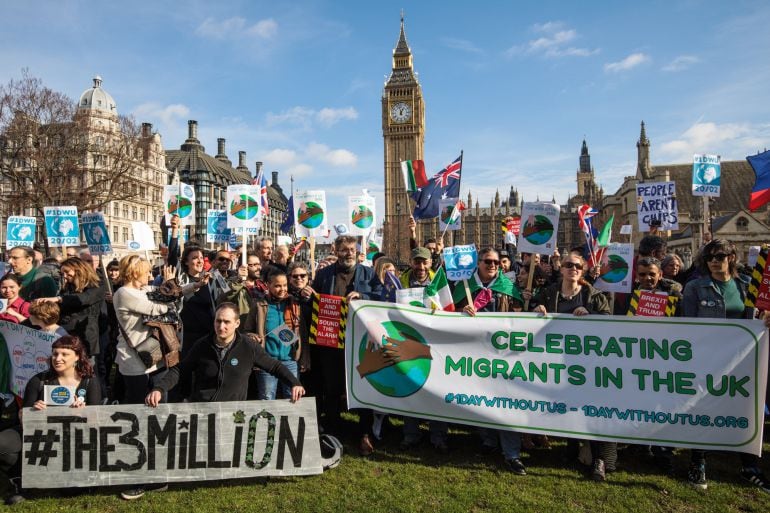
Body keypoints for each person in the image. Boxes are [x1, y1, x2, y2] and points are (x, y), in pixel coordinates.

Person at [681, 239, 770, 492]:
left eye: (719, 256)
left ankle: (749, 466)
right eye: (708, 257)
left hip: (742, 359)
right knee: (703, 407)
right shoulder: (695, 287)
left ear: (731, 257)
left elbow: (755, 318)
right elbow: (686, 326)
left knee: (745, 408)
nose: (713, 261)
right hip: (706, 358)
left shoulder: (746, 286)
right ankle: (697, 462)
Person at [531, 253, 616, 481]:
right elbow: (531, 310)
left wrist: (592, 316)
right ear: (562, 269)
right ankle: (571, 447)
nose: (573, 269)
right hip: (557, 362)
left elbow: (609, 324)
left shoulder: (594, 296)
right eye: (568, 265)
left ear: (584, 270)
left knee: (593, 408)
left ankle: (599, 459)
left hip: (588, 364)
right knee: (566, 404)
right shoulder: (550, 293)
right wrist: (537, 309)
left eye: (578, 266)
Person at [4, 336, 102, 503]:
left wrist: (84, 413)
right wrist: (33, 411)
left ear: (77, 356)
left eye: (65, 354)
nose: (58, 359)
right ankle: (20, 480)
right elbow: (22, 416)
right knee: (3, 444)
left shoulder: (89, 382)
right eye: (55, 354)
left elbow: (97, 422)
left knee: (70, 491)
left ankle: (70, 475)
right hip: (39, 434)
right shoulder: (39, 380)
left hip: (73, 440)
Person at [145, 303, 304, 404]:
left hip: (233, 413)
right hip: (203, 411)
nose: (221, 326)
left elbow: (275, 366)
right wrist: (159, 388)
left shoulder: (248, 347)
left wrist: (294, 383)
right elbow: (180, 370)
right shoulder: (202, 345)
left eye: (226, 322)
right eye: (218, 321)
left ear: (237, 323)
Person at [458, 248, 527, 475]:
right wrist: (461, 311)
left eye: (496, 262)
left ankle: (512, 453)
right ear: (478, 263)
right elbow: (447, 312)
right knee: (482, 398)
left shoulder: (507, 287)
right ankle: (488, 441)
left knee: (507, 402)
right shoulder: (464, 286)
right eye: (488, 261)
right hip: (475, 354)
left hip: (503, 354)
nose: (493, 265)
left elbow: (520, 316)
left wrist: (527, 306)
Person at [311, 235, 380, 456]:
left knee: (362, 386)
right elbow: (314, 301)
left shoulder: (368, 274)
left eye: (351, 249)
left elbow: (382, 296)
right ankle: (333, 432)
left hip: (360, 341)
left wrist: (363, 295)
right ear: (336, 250)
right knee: (331, 388)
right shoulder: (323, 274)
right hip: (331, 342)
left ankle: (364, 432)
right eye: (343, 249)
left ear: (357, 250)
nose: (348, 253)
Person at [242, 270, 302, 400]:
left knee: (293, 397)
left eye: (285, 285)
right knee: (267, 398)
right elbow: (246, 331)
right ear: (268, 285)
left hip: (290, 360)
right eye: (277, 285)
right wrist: (253, 336)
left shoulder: (294, 304)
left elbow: (302, 333)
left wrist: (304, 359)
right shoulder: (259, 305)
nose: (282, 289)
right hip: (267, 361)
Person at [34, 258, 105, 361]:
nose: (65, 276)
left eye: (67, 272)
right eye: (63, 273)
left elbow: (83, 299)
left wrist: (58, 299)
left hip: (84, 335)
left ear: (79, 269)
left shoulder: (97, 285)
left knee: (85, 368)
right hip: (64, 333)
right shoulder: (67, 287)